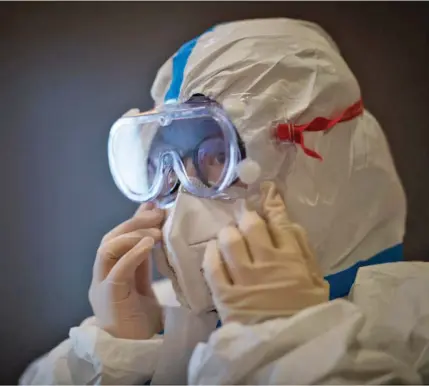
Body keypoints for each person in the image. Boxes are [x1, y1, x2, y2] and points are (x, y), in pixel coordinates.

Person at [20, 18, 429, 385]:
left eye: (216, 157)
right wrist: (115, 357)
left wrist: (290, 343)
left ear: (318, 159)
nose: (181, 200)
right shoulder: (159, 315)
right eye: (168, 165)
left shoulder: (414, 318)